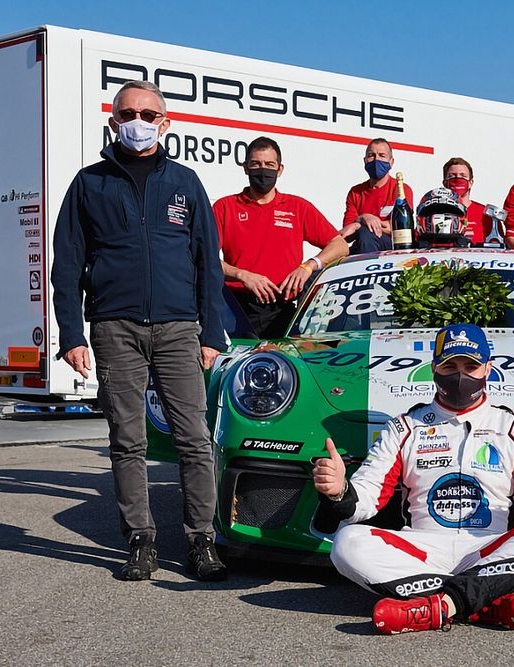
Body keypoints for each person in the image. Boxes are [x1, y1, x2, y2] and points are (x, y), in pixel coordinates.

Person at [51, 81, 228, 581]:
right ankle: (140, 541)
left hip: (178, 330)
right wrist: (71, 334)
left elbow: (206, 265)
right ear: (113, 122)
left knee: (194, 439)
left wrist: (211, 332)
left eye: (149, 114)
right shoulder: (90, 183)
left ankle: (201, 541)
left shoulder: (185, 181)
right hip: (115, 329)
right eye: (128, 113)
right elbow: (67, 264)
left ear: (165, 123)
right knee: (128, 440)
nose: (139, 121)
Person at [313, 324, 514, 634]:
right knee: (346, 542)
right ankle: (479, 602)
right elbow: (364, 499)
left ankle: (440, 607)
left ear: (488, 368)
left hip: (491, 550)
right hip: (424, 551)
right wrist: (339, 492)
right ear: (433, 368)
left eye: (471, 366)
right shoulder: (403, 427)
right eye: (450, 366)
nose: (461, 375)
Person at [213, 136, 348, 338]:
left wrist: (308, 266)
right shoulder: (225, 207)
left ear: (280, 169)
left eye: (269, 165)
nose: (263, 170)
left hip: (284, 310)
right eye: (256, 164)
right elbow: (206, 259)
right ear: (245, 168)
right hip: (236, 310)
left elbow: (340, 246)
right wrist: (243, 275)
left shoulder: (297, 207)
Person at [340, 138, 415, 254]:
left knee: (366, 232)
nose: (376, 160)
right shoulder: (356, 192)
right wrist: (363, 218)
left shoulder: (401, 189)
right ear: (365, 160)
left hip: (393, 248)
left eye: (382, 155)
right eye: (371, 155)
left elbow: (400, 229)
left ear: (391, 162)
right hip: (361, 245)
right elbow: (347, 233)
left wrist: (362, 224)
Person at [441, 157, 489, 244]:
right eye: (452, 176)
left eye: (463, 176)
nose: (457, 179)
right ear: (444, 183)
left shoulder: (485, 214)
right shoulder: (432, 212)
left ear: (471, 183)